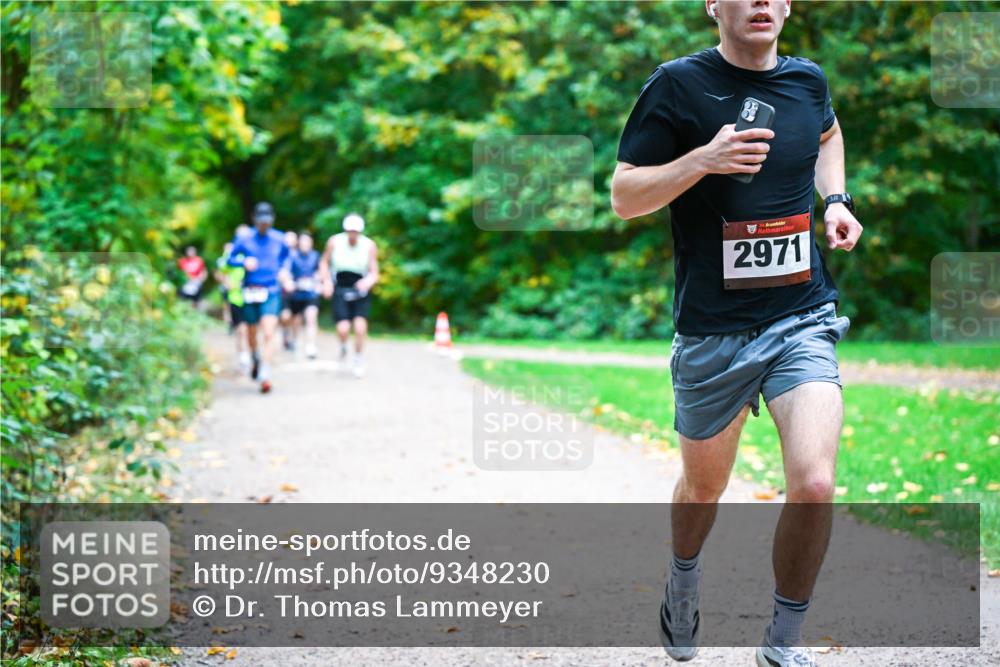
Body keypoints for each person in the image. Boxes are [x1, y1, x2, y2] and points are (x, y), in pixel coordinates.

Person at [610, 1, 863, 666]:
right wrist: (704, 157)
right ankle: (684, 583)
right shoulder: (677, 85)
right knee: (703, 488)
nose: (759, 1)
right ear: (712, 7)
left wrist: (836, 201)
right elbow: (624, 193)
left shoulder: (806, 81)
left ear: (784, 7)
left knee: (813, 482)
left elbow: (829, 136)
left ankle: (782, 641)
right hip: (712, 334)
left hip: (800, 316)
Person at [228, 202, 293, 394]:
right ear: (255, 220)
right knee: (251, 331)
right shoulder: (244, 238)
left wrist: (284, 271)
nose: (265, 225)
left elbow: (287, 258)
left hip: (271, 290)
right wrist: (243, 261)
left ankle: (265, 374)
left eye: (268, 222)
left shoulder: (279, 239)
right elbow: (229, 259)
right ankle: (255, 357)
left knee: (269, 331)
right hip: (250, 290)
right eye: (261, 222)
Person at [319, 213, 379, 378]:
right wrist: (326, 282)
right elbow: (324, 262)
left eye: (356, 231)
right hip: (340, 287)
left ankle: (358, 358)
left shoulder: (369, 245)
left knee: (360, 327)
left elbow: (374, 272)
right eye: (350, 231)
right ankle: (344, 345)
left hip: (360, 289)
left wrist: (367, 282)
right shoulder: (334, 242)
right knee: (343, 328)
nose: (353, 234)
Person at [215, 226, 253, 371]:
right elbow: (220, 272)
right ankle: (243, 354)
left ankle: (253, 353)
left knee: (252, 328)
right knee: (241, 328)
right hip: (236, 297)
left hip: (253, 296)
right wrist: (227, 282)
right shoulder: (230, 255)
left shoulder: (253, 252)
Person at [287, 231, 321, 359]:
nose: (305, 244)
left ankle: (311, 345)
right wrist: (289, 281)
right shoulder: (292, 257)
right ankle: (295, 340)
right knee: (296, 320)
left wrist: (319, 281)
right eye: (302, 241)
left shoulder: (316, 256)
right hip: (296, 294)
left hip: (311, 293)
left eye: (307, 241)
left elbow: (320, 271)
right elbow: (286, 272)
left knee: (311, 317)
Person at [280, 230, 299, 352]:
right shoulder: (279, 255)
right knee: (285, 315)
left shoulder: (300, 254)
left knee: (296, 317)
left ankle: (293, 339)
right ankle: (285, 333)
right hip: (282, 290)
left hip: (298, 290)